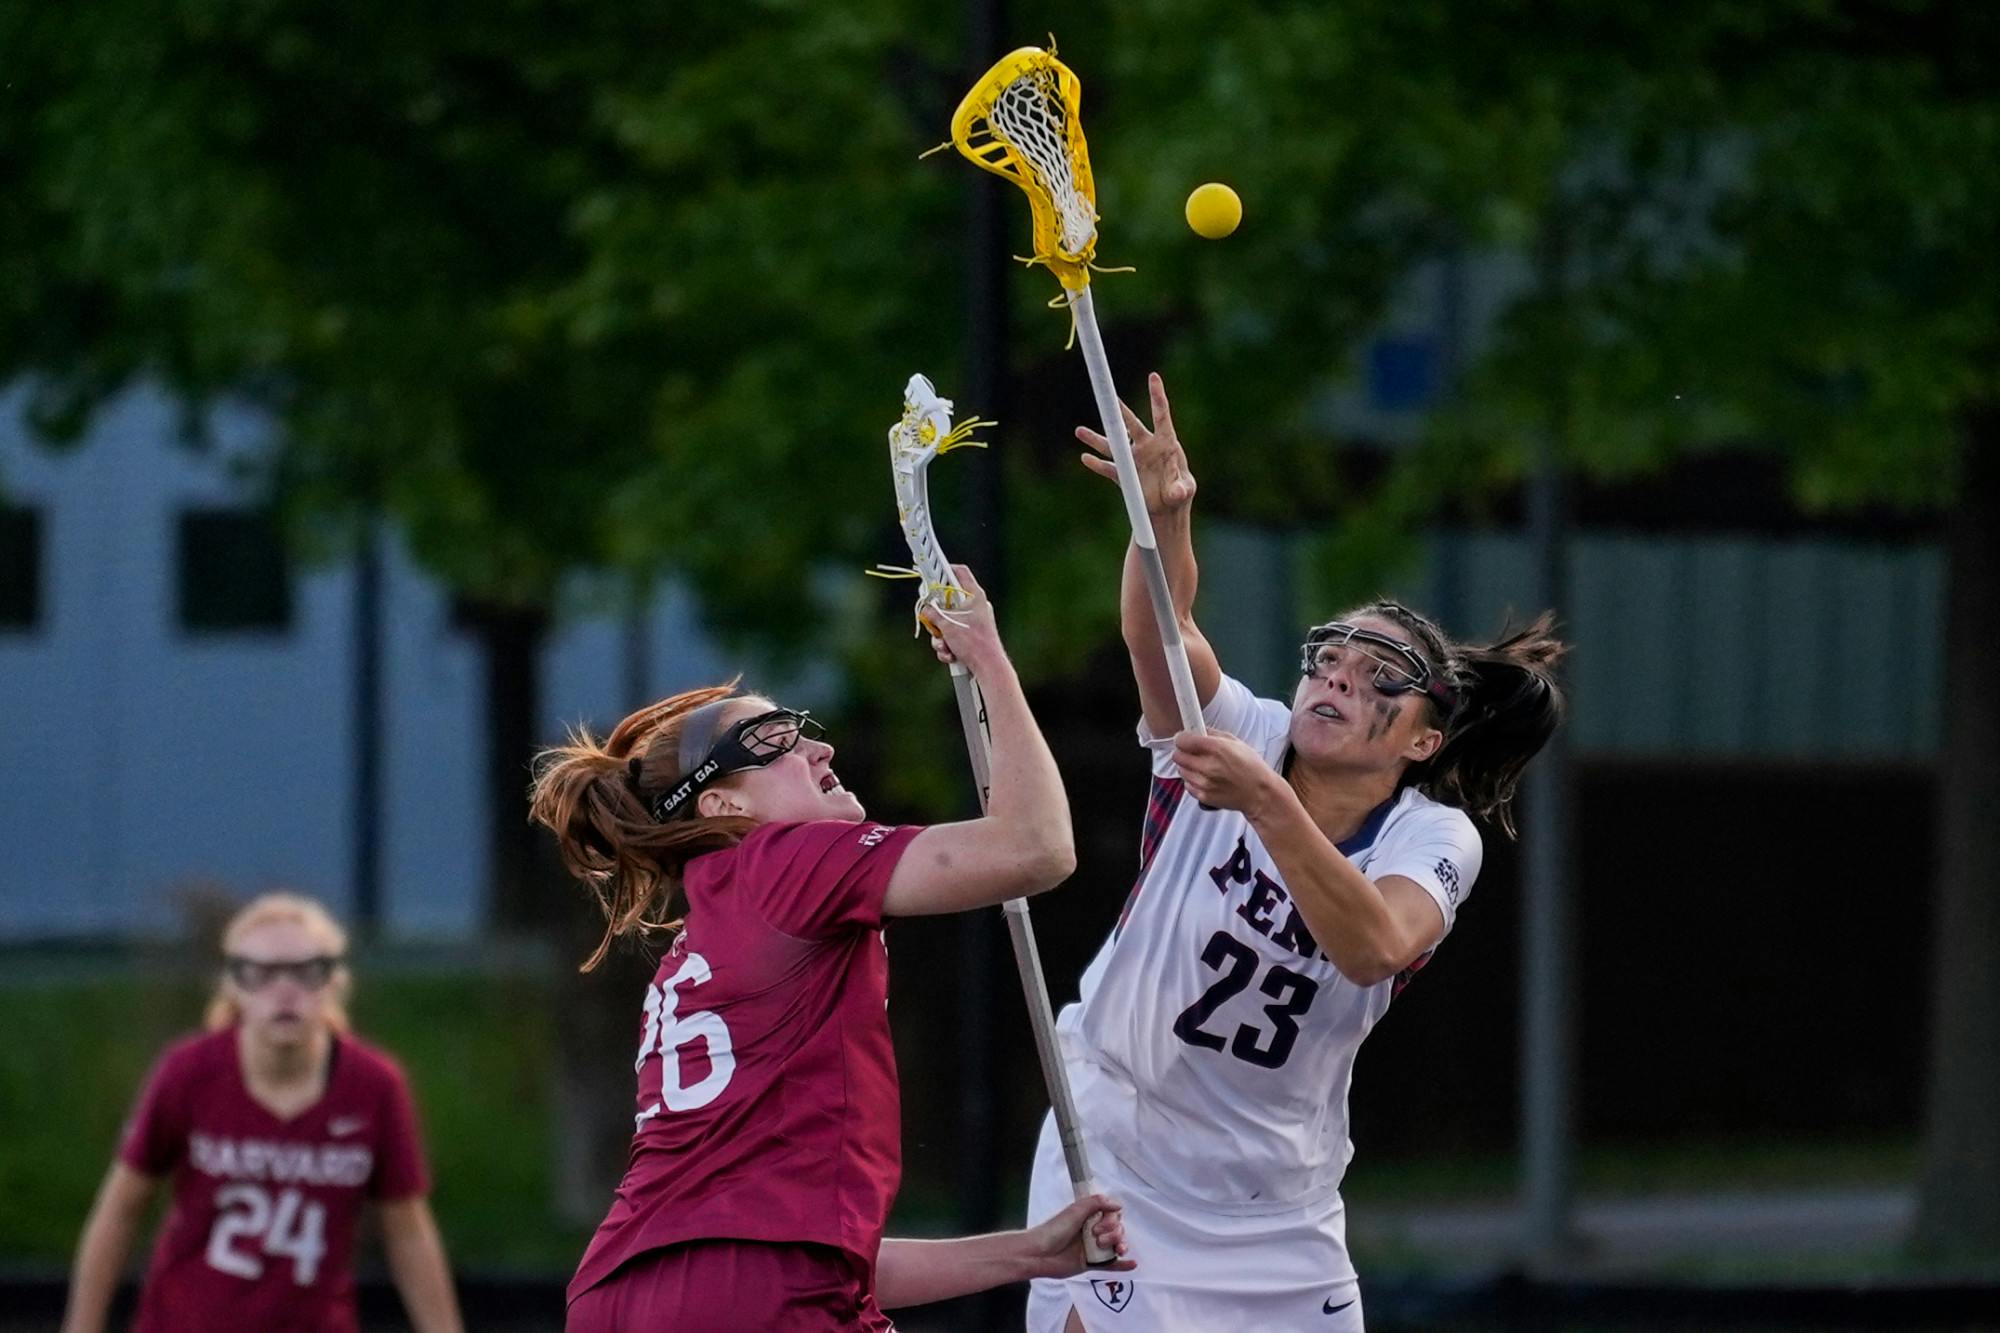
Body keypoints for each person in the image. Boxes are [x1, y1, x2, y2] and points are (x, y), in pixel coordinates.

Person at [1027, 374, 1567, 1332]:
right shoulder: (1249, 730)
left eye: (1378, 675)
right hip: (1120, 1138)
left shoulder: (1432, 835)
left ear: (1423, 739)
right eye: (1329, 658)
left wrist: (1267, 803)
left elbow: (1374, 945)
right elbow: (1161, 635)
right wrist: (1164, 521)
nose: (1337, 678)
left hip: (1275, 1204)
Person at [530, 566, 1133, 1332]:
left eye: (801, 725)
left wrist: (1030, 1252)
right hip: (747, 1291)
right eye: (771, 740)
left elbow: (819, 1255)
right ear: (721, 804)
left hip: (617, 1293)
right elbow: (1036, 847)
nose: (816, 746)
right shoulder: (782, 859)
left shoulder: (701, 941)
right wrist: (989, 658)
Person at [62, 893, 463, 1333]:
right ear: (234, 986)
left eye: (307, 972)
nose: (285, 991)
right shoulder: (188, 1073)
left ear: (334, 983)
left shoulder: (374, 1086)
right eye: (262, 973)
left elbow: (407, 1231)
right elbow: (120, 1209)